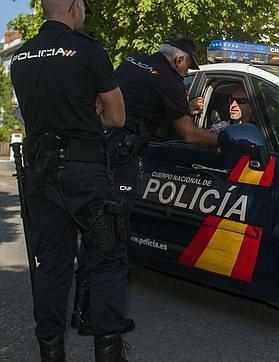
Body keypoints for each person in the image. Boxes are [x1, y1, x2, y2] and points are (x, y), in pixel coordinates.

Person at [70, 34, 217, 337]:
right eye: (188, 67)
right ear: (179, 59)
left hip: (100, 151)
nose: (187, 74)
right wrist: (226, 140)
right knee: (113, 239)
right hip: (121, 160)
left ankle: (81, 311)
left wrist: (182, 106)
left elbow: (138, 100)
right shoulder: (168, 79)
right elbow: (189, 136)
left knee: (95, 232)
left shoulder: (133, 61)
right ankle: (100, 319)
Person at [10, 0, 131, 360]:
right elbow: (118, 117)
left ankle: (50, 352)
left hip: (41, 176)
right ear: (75, 6)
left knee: (51, 266)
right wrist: (92, 108)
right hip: (84, 173)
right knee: (107, 257)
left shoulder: (20, 58)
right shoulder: (88, 50)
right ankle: (108, 352)